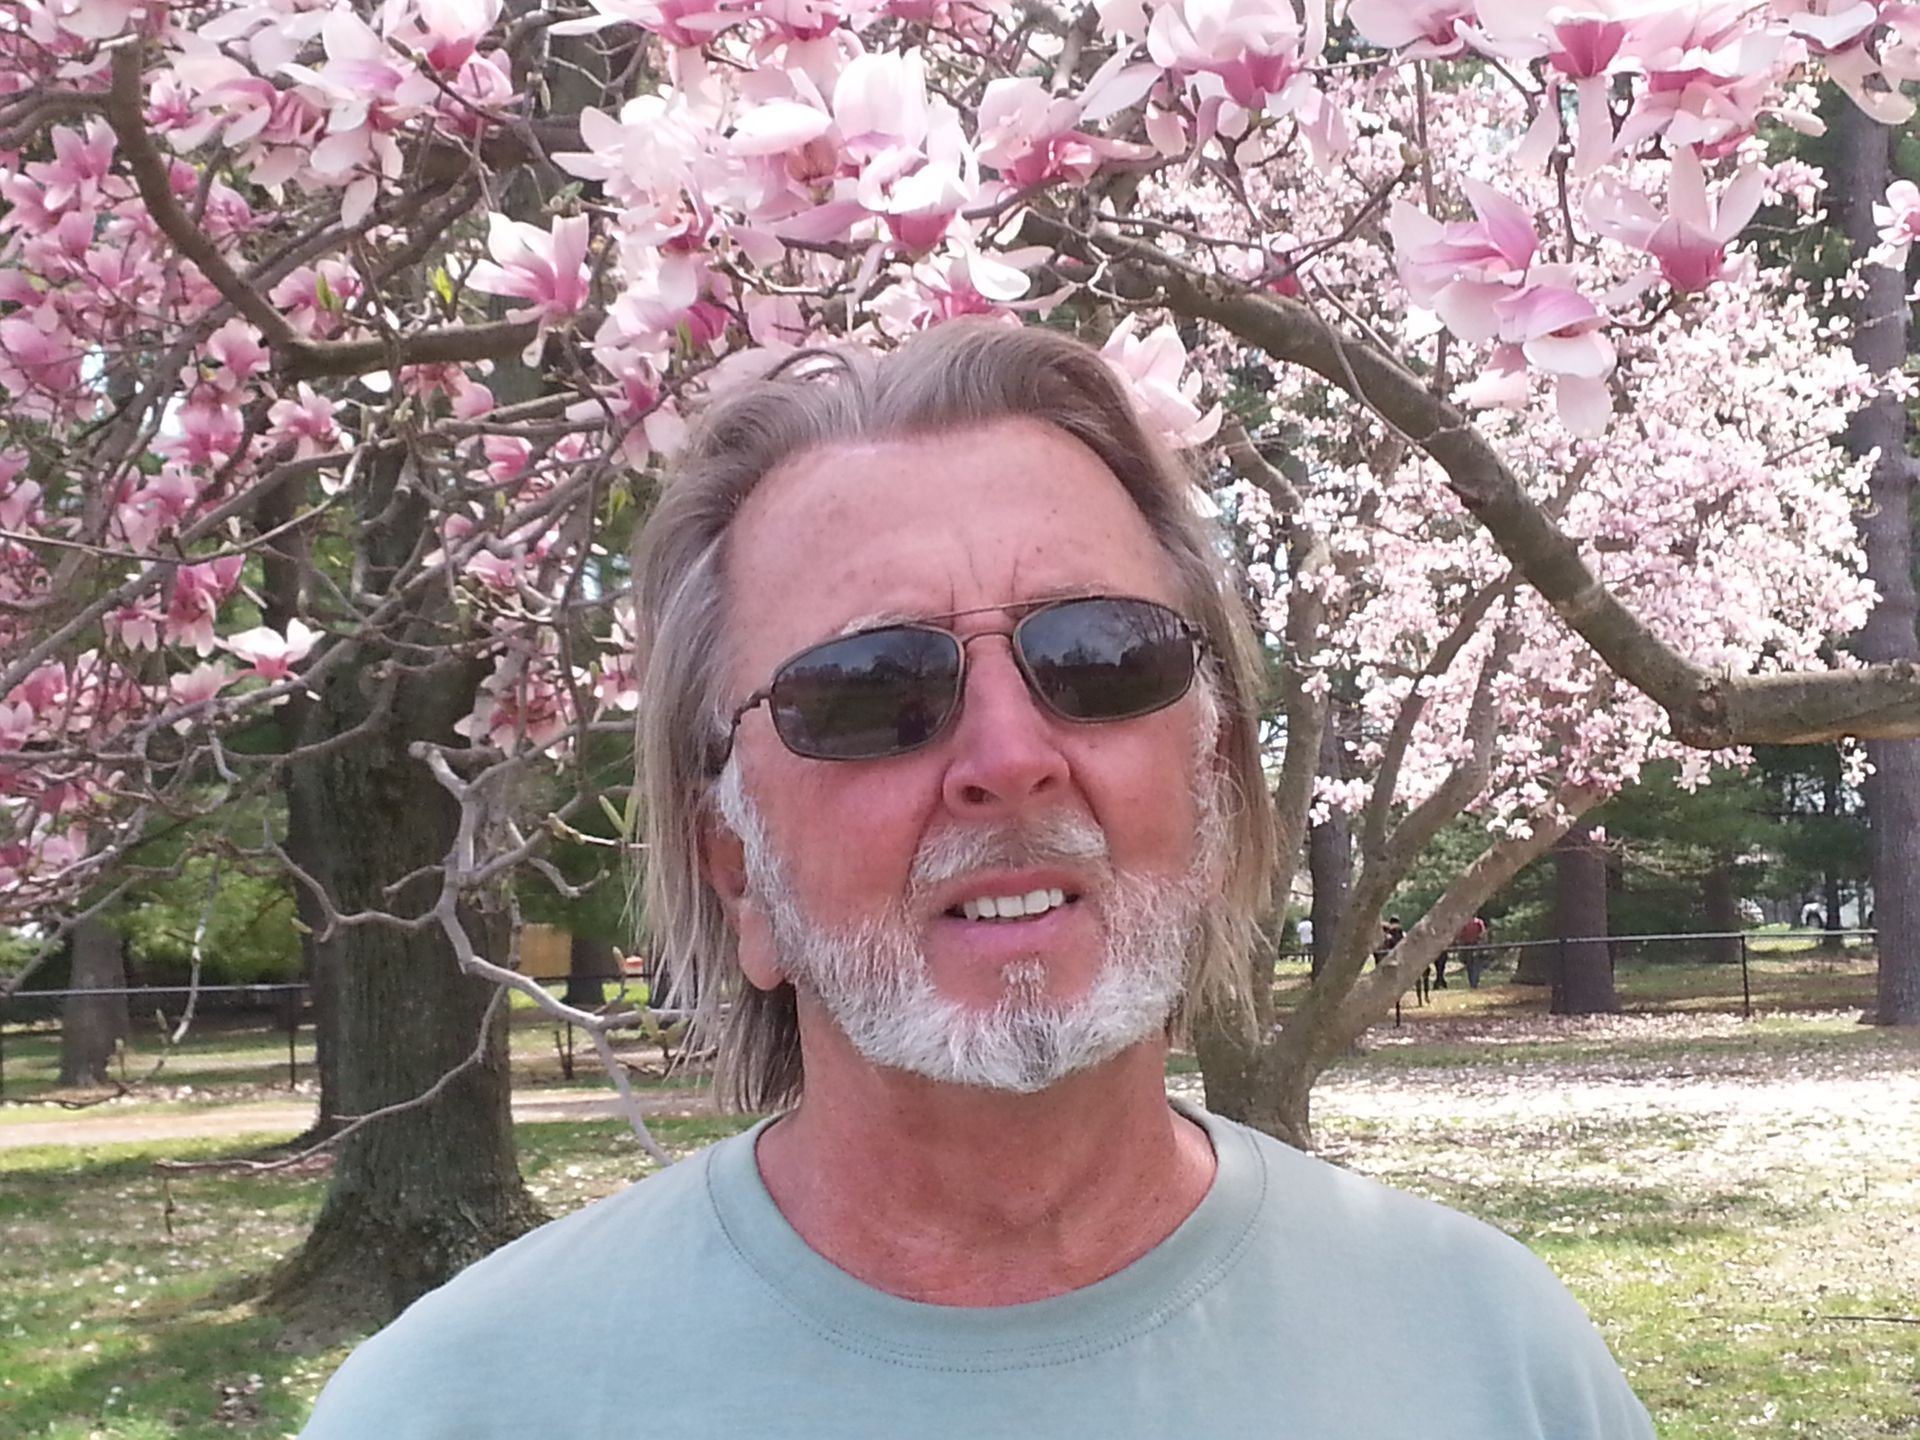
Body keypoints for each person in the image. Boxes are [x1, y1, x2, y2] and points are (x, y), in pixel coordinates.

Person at [300, 323, 1655, 1438]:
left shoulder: (1494, 1362)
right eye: (869, 687)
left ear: (1213, 780)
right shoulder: (458, 1408)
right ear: (736, 869)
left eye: (1102, 654)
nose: (1010, 761)